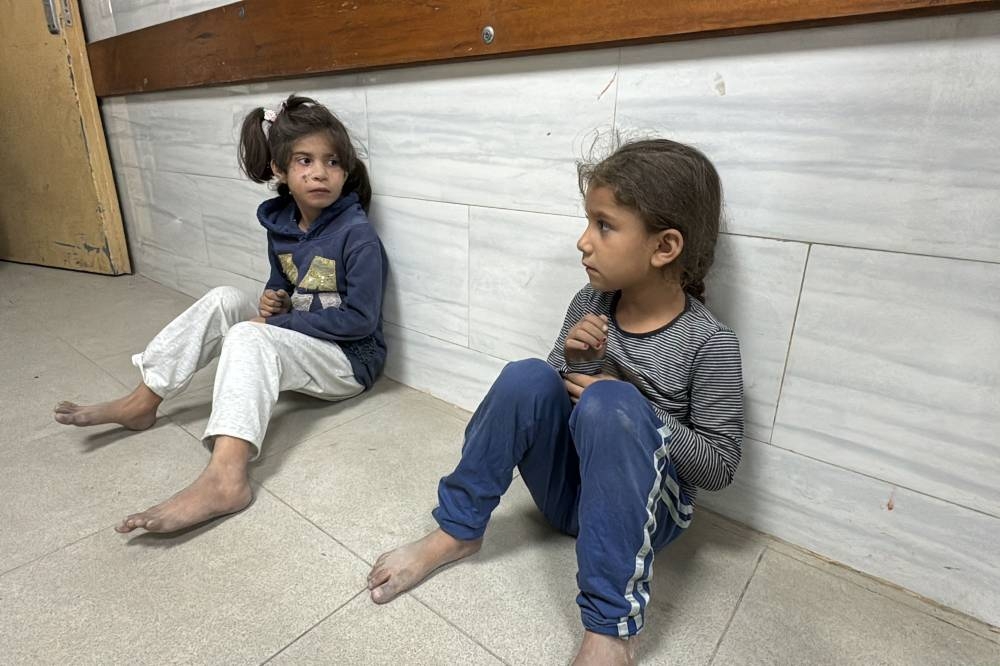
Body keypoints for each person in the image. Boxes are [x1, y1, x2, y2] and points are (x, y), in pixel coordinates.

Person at [366, 139, 743, 665]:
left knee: (612, 405)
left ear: (664, 247)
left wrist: (635, 405)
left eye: (604, 225)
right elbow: (555, 400)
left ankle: (610, 628)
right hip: (569, 497)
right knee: (527, 377)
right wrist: (572, 358)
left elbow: (720, 465)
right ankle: (456, 531)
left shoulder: (709, 343)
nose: (583, 242)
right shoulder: (591, 303)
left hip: (647, 518)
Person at [54, 95, 388, 535]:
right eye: (304, 160)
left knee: (248, 337)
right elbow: (282, 284)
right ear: (280, 170)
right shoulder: (284, 225)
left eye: (332, 162)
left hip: (349, 360)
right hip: (305, 338)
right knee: (224, 299)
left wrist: (274, 323)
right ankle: (144, 399)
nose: (319, 172)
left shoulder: (357, 236)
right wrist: (273, 301)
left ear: (346, 172)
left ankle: (226, 478)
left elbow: (361, 321)